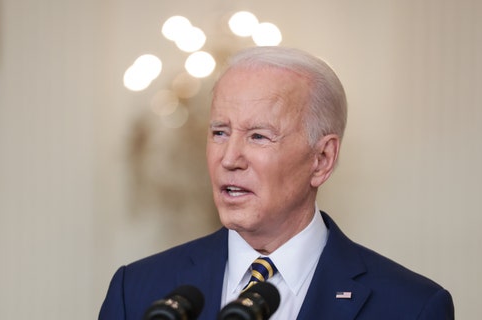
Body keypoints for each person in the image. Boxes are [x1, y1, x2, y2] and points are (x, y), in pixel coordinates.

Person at [99, 46, 454, 319]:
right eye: (220, 132)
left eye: (258, 136)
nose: (229, 158)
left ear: (322, 159)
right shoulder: (138, 292)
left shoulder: (412, 306)